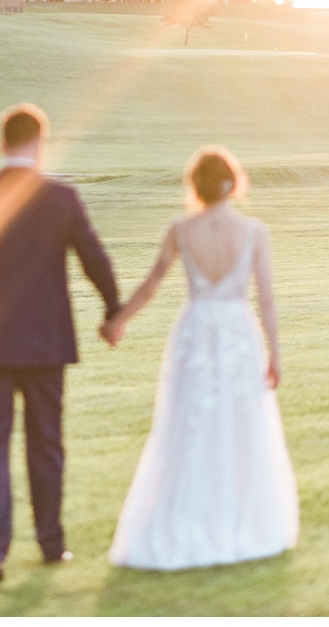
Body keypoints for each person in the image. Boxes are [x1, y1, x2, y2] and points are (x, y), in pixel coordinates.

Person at [100, 146, 298, 569]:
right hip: (237, 334)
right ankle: (235, 516)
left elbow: (152, 284)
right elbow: (265, 299)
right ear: (233, 184)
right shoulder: (254, 231)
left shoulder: (180, 228)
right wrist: (275, 354)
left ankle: (185, 516)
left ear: (195, 186)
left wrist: (119, 320)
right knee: (239, 425)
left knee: (188, 425)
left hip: (194, 333)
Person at [0, 103, 121, 585]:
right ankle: (51, 543)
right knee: (46, 444)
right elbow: (93, 257)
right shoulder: (60, 198)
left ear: (2, 144)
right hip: (46, 345)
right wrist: (113, 311)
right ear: (40, 143)